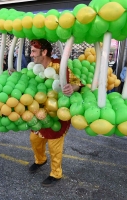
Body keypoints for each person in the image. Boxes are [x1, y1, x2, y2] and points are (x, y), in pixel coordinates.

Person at [28, 39, 81, 187]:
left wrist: (72, 88)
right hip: (40, 110)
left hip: (57, 112)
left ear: (44, 52)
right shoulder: (35, 67)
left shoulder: (60, 65)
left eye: (34, 51)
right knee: (34, 139)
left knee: (54, 144)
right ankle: (40, 160)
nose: (31, 54)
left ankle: (56, 173)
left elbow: (77, 83)